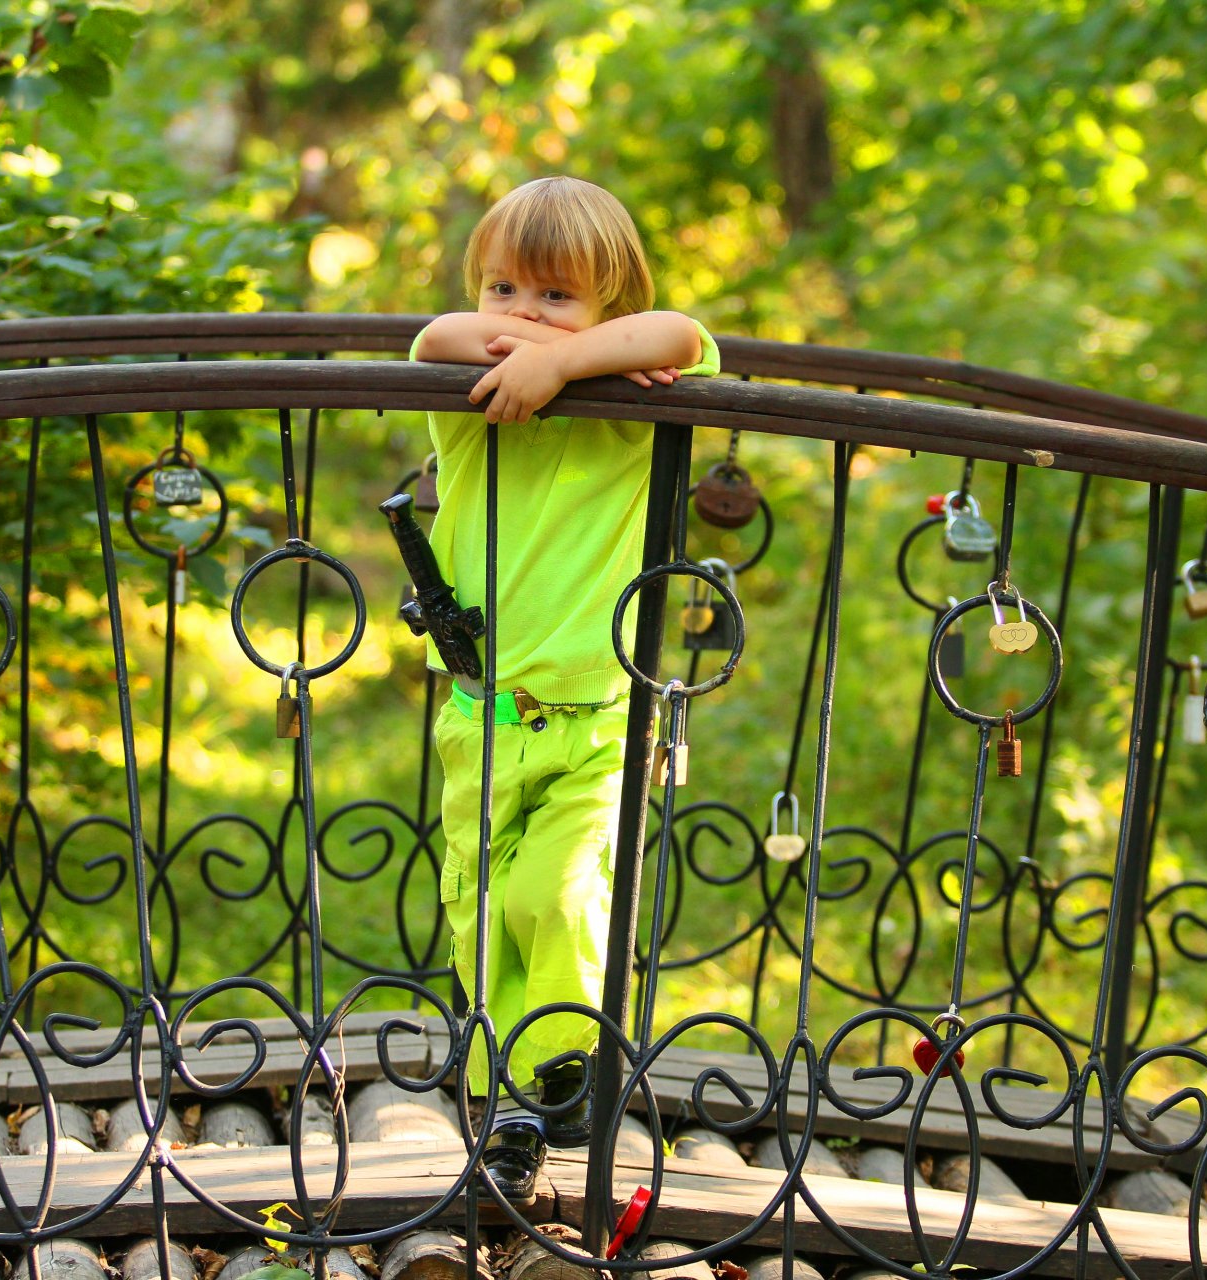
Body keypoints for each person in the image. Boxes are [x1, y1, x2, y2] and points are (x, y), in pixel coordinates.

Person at [407, 175, 721, 1200]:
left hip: (596, 719)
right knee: (482, 914)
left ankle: (567, 1067)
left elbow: (685, 334)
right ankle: (514, 1103)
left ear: (608, 312)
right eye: (506, 287)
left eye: (557, 298)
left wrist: (571, 366)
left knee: (560, 889)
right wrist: (527, 352)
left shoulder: (629, 412)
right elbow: (435, 338)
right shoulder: (467, 400)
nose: (521, 317)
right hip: (477, 719)